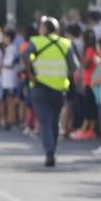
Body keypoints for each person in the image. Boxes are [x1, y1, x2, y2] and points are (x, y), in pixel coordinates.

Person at [27, 17, 80, 167]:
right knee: (54, 121)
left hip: (39, 85)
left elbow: (24, 56)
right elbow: (74, 66)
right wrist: (64, 75)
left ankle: (49, 152)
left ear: (44, 29)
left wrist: (30, 72)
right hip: (59, 88)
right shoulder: (65, 43)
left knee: (43, 121)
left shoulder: (36, 41)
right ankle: (52, 150)